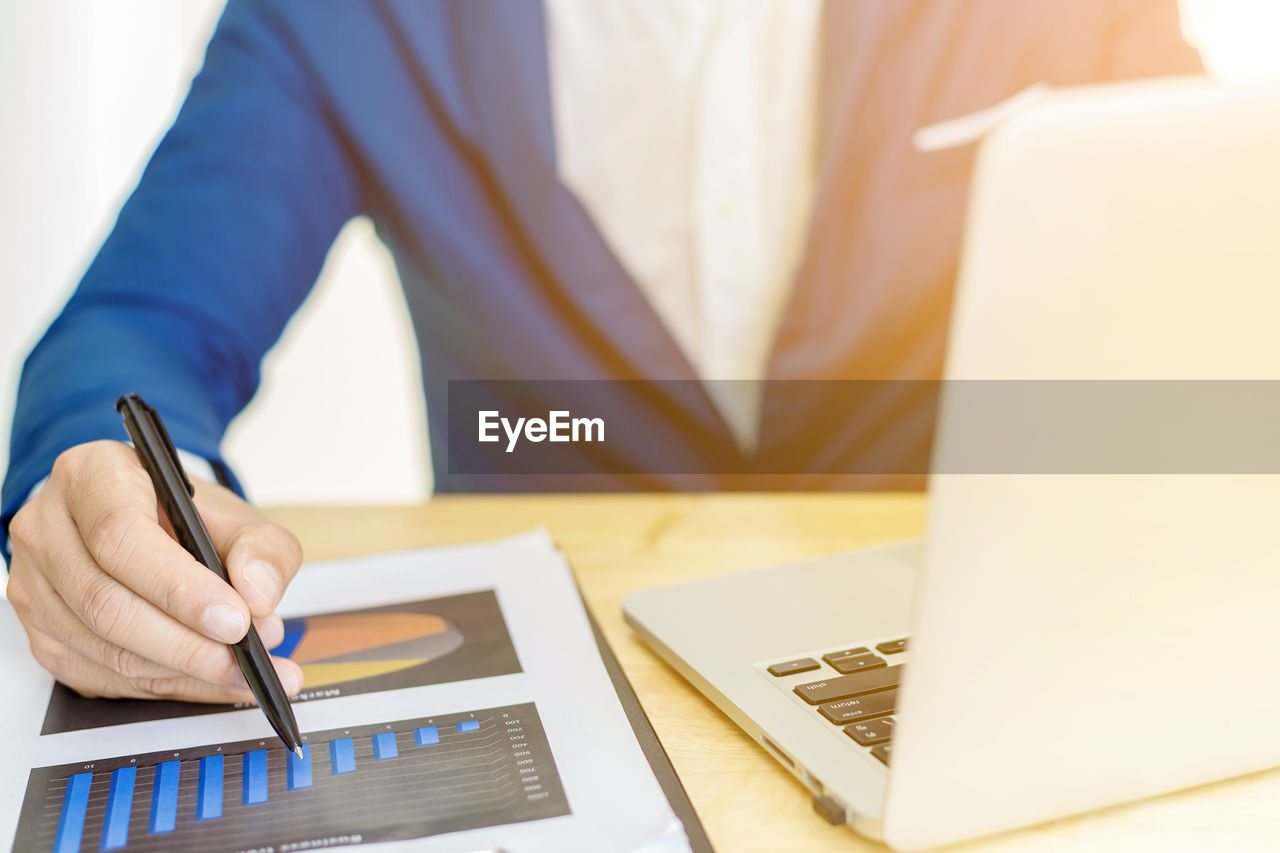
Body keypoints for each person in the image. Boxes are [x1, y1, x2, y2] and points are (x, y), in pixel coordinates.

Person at [2, 0, 1200, 703]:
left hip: (965, 648)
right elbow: (138, 326)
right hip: (570, 672)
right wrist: (106, 497)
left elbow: (1206, 242)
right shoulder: (350, 19)